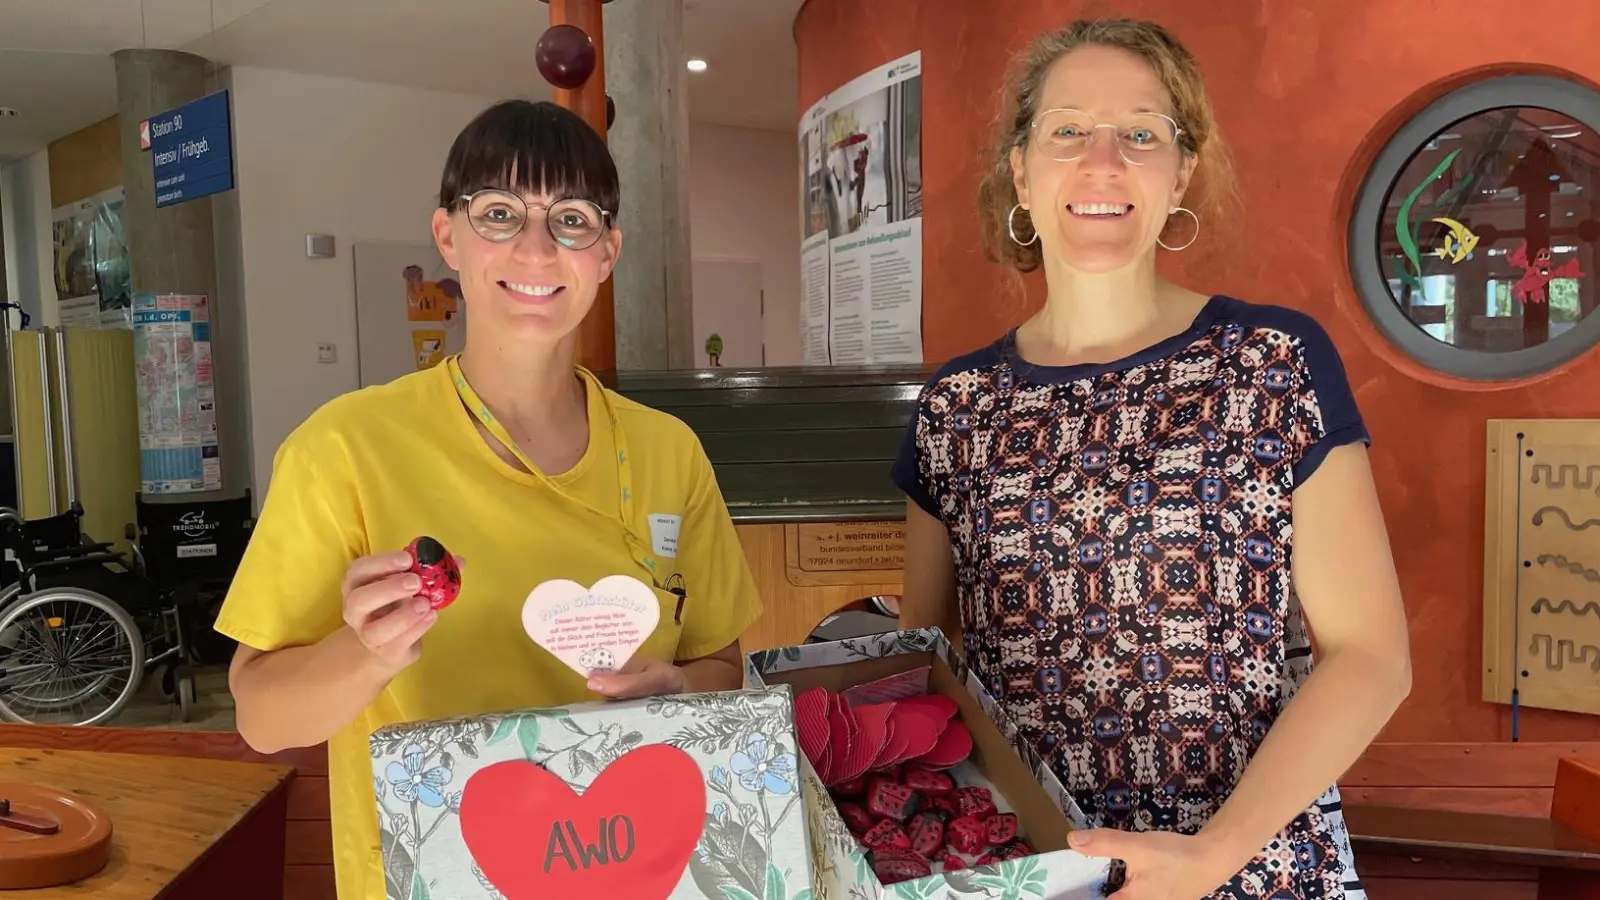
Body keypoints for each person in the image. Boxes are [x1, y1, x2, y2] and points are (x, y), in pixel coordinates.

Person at [892, 19, 1411, 900]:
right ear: (1021, 170)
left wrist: (1215, 854)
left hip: (1253, 865)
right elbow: (930, 673)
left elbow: (1370, 657)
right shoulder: (957, 408)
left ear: (1183, 172)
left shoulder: (1271, 361)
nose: (1103, 161)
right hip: (1030, 870)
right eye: (1068, 131)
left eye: (1141, 133)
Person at [215, 100, 763, 900]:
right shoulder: (345, 449)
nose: (537, 248)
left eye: (571, 220)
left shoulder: (666, 452)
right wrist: (366, 653)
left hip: (634, 866)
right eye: (500, 214)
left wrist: (678, 692)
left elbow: (719, 662)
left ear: (608, 252)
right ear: (448, 237)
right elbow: (261, 718)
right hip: (433, 878)